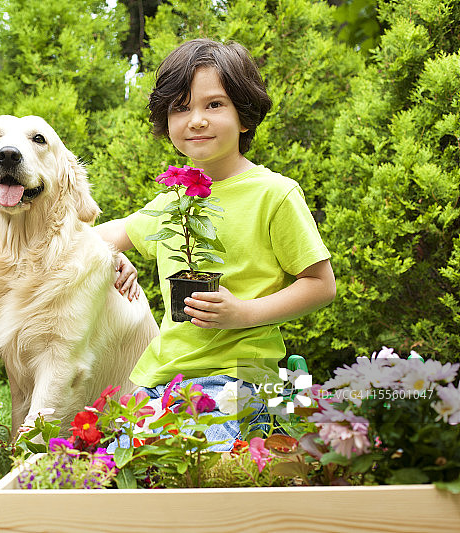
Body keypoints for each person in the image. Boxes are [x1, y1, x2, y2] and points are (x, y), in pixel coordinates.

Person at [96, 39, 336, 448]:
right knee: (115, 466)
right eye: (181, 107)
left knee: (193, 464)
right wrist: (111, 256)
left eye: (214, 105)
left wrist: (243, 312)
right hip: (160, 376)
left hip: (237, 376)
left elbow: (320, 284)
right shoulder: (174, 198)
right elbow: (103, 235)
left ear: (244, 116)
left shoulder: (273, 194)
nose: (196, 120)